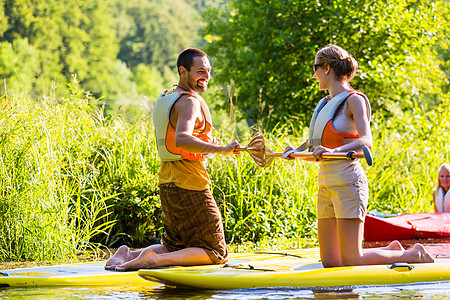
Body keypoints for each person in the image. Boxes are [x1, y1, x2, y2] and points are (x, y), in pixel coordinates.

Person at [283, 44, 434, 267]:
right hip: (325, 183)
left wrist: (335, 151)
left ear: (326, 68)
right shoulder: (323, 103)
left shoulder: (354, 100)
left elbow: (366, 141)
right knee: (331, 262)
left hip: (348, 182)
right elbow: (316, 144)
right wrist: (294, 152)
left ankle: (413, 255)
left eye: (315, 68)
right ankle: (391, 249)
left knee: (352, 258)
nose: (313, 74)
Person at [105, 48, 240, 271]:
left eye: (208, 71)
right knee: (216, 252)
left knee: (176, 244)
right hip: (190, 183)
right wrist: (221, 148)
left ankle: (128, 253)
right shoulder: (189, 102)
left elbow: (180, 140)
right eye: (200, 71)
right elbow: (182, 139)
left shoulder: (168, 96)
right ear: (183, 72)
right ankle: (152, 260)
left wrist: (209, 147)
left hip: (168, 182)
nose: (205, 76)